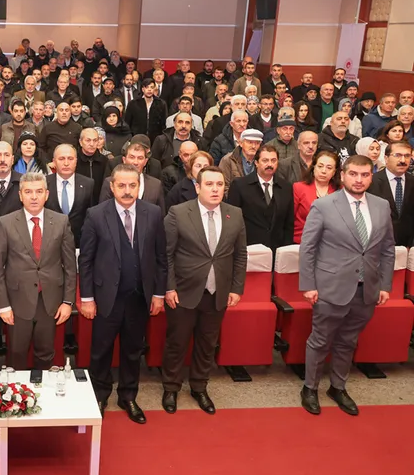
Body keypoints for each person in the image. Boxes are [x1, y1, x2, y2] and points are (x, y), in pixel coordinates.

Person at [299, 155, 395, 416]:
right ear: (342, 175)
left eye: (364, 175)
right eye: (353, 174)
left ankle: (338, 387)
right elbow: (308, 248)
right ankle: (310, 388)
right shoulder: (324, 205)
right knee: (320, 341)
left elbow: (387, 249)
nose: (359, 179)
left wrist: (385, 284)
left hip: (367, 289)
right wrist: (308, 285)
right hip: (330, 287)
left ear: (371, 177)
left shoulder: (381, 206)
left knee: (348, 341)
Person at [78, 163, 167, 423]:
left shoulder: (153, 213)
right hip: (106, 298)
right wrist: (87, 298)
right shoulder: (96, 214)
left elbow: (161, 258)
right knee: (101, 350)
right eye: (122, 185)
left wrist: (159, 294)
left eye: (132, 185)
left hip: (139, 297)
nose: (127, 191)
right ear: (112, 186)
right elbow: (86, 260)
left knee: (132, 349)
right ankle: (100, 394)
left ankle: (128, 395)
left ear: (139, 186)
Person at [162, 166, 247, 415]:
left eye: (220, 185)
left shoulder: (235, 214)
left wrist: (236, 288)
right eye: (209, 184)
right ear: (198, 187)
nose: (215, 189)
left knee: (207, 344)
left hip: (218, 292)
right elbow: (166, 255)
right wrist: (169, 287)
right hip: (183, 292)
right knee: (177, 343)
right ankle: (171, 387)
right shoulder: (178, 212)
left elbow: (240, 255)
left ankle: (199, 387)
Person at [0, 172, 76, 370]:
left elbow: (70, 266)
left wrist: (67, 302)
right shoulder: (5, 223)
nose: (34, 197)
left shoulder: (61, 221)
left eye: (39, 191)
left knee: (46, 354)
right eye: (28, 192)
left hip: (50, 301)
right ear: (20, 195)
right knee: (16, 354)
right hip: (17, 302)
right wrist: (3, 305)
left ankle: (43, 389)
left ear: (47, 194)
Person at [226, 144, 294, 249]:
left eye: (273, 160)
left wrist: (285, 248)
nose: (270, 164)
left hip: (277, 249)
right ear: (256, 163)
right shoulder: (240, 185)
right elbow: (232, 221)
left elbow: (289, 223)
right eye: (265, 160)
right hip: (248, 248)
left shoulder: (286, 187)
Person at [45, 144, 95, 248]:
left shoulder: (88, 184)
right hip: (49, 244)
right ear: (54, 162)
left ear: (76, 161)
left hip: (79, 243)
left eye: (70, 159)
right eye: (61, 159)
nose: (66, 163)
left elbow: (91, 215)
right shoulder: (44, 183)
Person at [367, 141, 414, 247]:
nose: (403, 160)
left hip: (408, 246)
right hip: (378, 245)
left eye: (407, 156)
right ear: (386, 158)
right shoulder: (371, 182)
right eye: (397, 155)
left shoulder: (412, 182)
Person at [99, 140, 165, 212]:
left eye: (140, 158)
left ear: (145, 162)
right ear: (124, 160)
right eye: (132, 157)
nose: (135, 162)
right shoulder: (110, 182)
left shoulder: (155, 185)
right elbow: (103, 211)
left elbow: (161, 215)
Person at [293, 150, 340, 243]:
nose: (323, 171)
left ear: (334, 172)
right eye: (320, 166)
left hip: (331, 242)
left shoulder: (340, 191)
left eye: (329, 168)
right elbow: (290, 219)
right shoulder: (299, 187)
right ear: (313, 167)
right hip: (302, 240)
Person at [220, 127, 264, 196]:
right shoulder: (228, 160)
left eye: (257, 143)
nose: (253, 146)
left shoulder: (263, 161)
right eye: (250, 142)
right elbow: (223, 186)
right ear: (240, 143)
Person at [124, 78, 168, 143]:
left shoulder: (161, 103)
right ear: (143, 89)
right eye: (147, 87)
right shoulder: (133, 103)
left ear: (154, 89)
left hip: (155, 139)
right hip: (137, 138)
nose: (149, 89)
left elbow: (163, 124)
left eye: (152, 87)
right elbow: (127, 123)